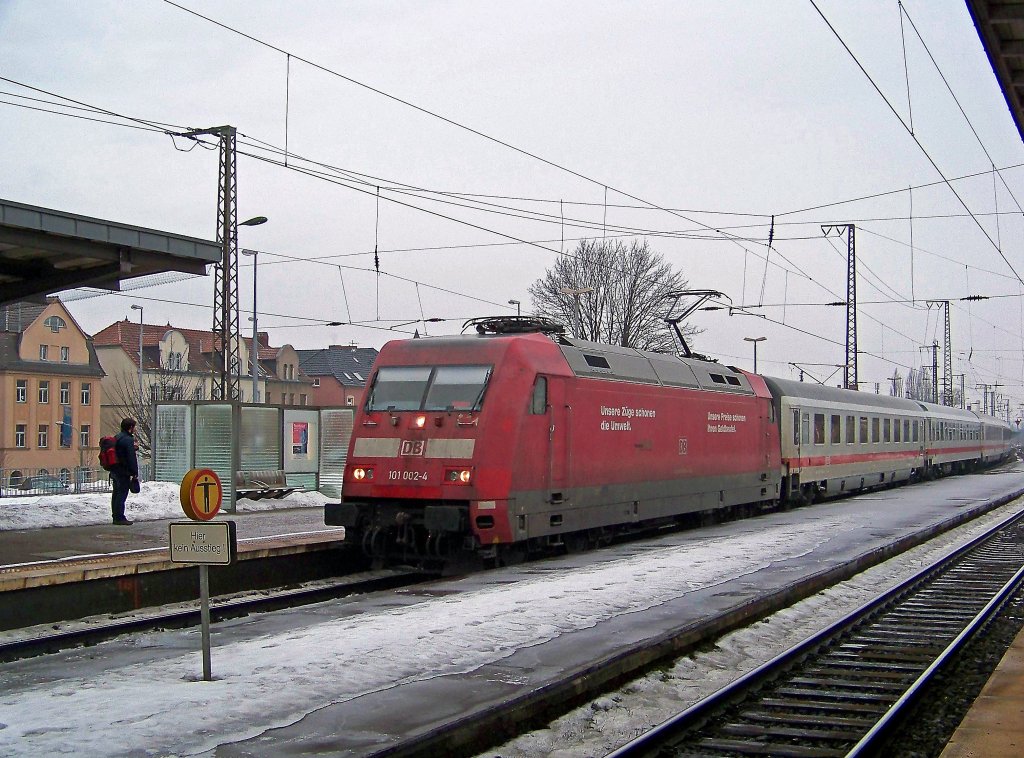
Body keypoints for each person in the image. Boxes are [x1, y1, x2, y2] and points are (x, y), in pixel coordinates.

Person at [110, 417, 139, 525]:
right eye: (134, 427)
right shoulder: (128, 439)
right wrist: (134, 472)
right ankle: (120, 518)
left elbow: (120, 452)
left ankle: (115, 516)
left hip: (115, 470)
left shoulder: (117, 437)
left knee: (116, 493)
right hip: (123, 471)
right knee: (122, 494)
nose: (135, 429)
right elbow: (131, 457)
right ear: (130, 427)